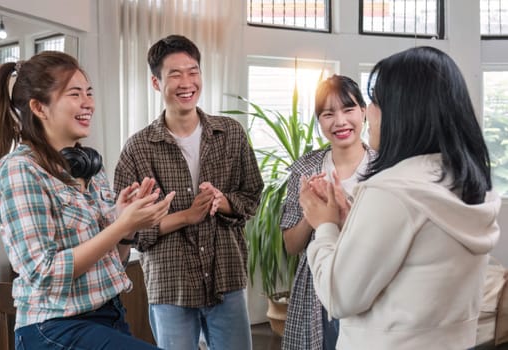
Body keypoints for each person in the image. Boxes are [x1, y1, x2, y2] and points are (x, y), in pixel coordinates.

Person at [301, 46, 501, 350]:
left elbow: (339, 297)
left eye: (376, 102)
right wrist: (349, 222)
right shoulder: (472, 185)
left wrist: (325, 226)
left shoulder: (391, 191)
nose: (369, 112)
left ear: (404, 112)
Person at [0, 51, 175, 349]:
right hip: (55, 327)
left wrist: (125, 229)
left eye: (89, 92)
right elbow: (44, 274)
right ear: (39, 107)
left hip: (109, 315)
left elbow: (117, 260)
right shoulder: (20, 170)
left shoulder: (89, 168)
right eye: (75, 94)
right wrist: (120, 224)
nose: (88, 102)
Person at [113, 34, 264, 350]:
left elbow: (252, 195)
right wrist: (186, 216)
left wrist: (223, 203)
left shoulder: (231, 134)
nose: (187, 82)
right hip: (171, 284)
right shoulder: (138, 149)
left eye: (193, 71)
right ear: (157, 84)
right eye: (175, 74)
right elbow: (128, 232)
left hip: (227, 277)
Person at [281, 75, 374, 350]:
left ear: (364, 112)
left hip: (368, 283)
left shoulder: (383, 169)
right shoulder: (306, 168)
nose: (340, 121)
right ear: (318, 120)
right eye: (328, 113)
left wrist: (339, 214)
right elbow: (291, 245)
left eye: (348, 109)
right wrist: (314, 215)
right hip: (316, 288)